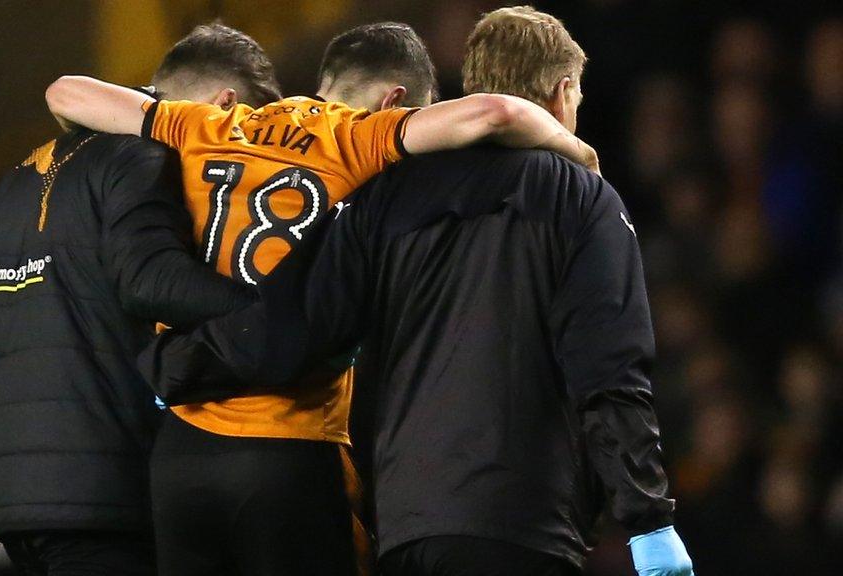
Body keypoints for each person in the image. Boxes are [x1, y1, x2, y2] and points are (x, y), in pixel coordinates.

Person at [145, 7, 694, 576]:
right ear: (561, 93)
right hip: (522, 525)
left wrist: (175, 366)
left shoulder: (384, 195)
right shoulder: (581, 197)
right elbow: (609, 368)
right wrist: (648, 518)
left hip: (405, 528)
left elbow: (295, 325)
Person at [45, 20, 600, 576]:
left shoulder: (212, 123)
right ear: (394, 102)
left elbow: (66, 91)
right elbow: (496, 112)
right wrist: (576, 150)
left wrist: (157, 109)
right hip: (291, 445)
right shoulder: (358, 137)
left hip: (182, 457)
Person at [0, 24, 277, 576]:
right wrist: (278, 314)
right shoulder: (143, 155)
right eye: (250, 127)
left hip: (19, 515)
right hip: (107, 498)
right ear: (225, 104)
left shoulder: (16, 183)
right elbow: (149, 280)